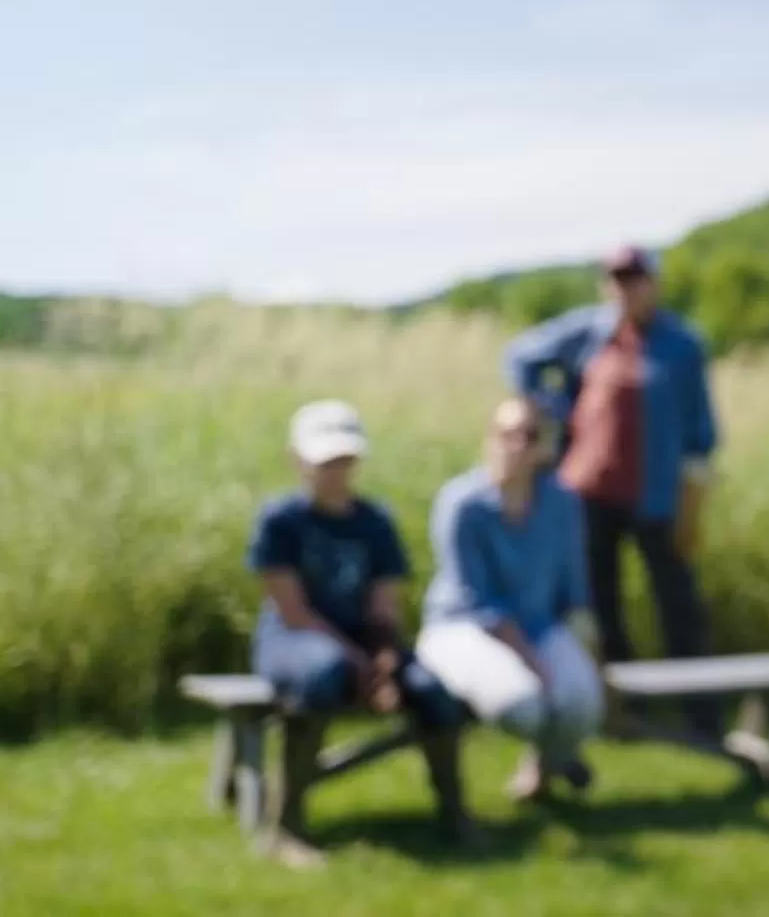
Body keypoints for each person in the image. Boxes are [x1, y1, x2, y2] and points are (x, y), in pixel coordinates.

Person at [243, 398, 472, 864]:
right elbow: (293, 612)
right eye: (325, 461)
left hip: (364, 644)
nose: (336, 471)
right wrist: (360, 663)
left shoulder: (375, 522)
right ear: (298, 460)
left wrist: (385, 664)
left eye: (344, 460)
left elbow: (384, 608)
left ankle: (455, 816)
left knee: (431, 690)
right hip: (294, 642)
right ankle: (285, 827)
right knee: (321, 674)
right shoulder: (280, 521)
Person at [503, 244, 719, 731]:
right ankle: (622, 710)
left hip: (658, 497)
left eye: (635, 279)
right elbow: (519, 357)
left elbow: (701, 432)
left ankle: (701, 713)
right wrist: (557, 408)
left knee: (678, 604)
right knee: (601, 605)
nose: (626, 289)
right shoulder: (587, 333)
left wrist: (694, 499)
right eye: (617, 280)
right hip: (588, 494)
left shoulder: (681, 345)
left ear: (654, 284)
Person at [419, 395, 607, 804]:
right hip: (461, 629)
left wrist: (584, 649)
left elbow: (574, 589)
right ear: (490, 439)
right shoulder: (462, 505)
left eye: (530, 435)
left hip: (538, 626)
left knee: (581, 703)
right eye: (507, 434)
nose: (517, 444)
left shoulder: (562, 503)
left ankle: (547, 765)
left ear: (546, 446)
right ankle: (559, 758)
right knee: (522, 704)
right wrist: (533, 662)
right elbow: (477, 600)